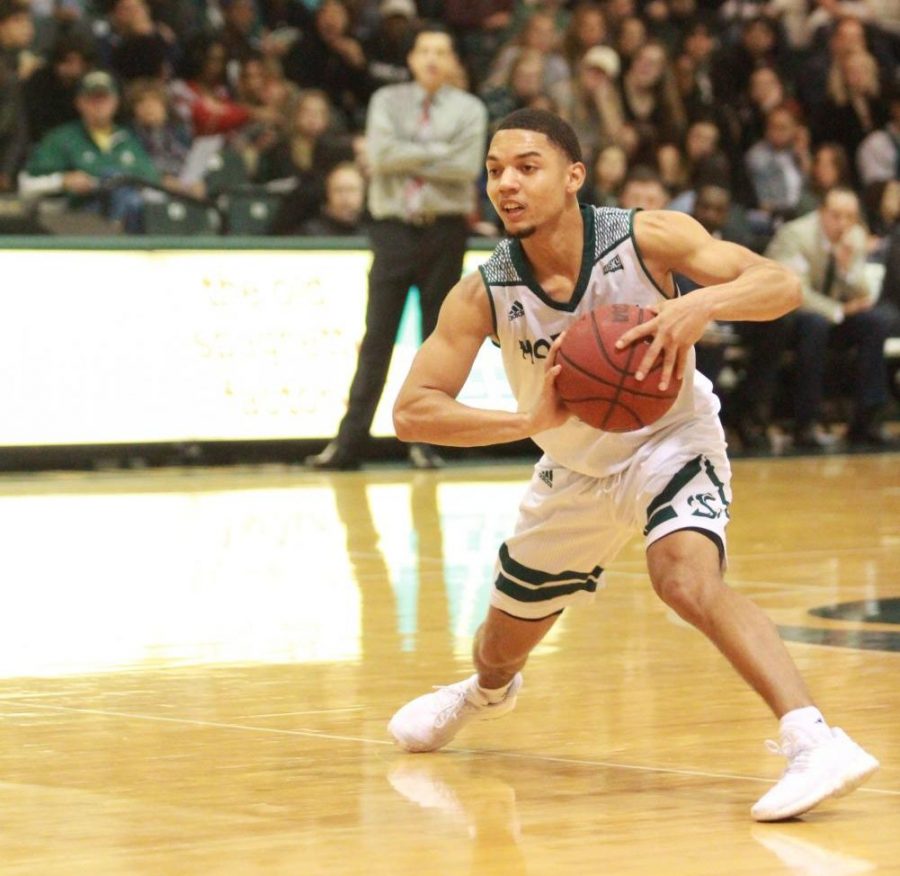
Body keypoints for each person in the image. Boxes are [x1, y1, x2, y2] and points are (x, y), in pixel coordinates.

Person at [386, 108, 878, 822]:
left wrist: (700, 305)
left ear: (574, 176)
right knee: (496, 651)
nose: (507, 184)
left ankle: (814, 739)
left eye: (527, 166)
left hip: (671, 439)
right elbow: (412, 411)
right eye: (495, 171)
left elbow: (780, 285)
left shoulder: (648, 237)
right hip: (572, 472)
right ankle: (482, 694)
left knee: (683, 578)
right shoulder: (483, 290)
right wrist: (527, 422)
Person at [306, 25, 487, 471]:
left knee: (436, 340)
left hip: (444, 230)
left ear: (452, 62)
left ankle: (426, 441)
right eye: (424, 50)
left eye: (440, 51)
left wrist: (409, 153)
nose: (431, 59)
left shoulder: (470, 108)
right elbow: (380, 157)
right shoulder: (386, 102)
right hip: (392, 230)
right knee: (377, 338)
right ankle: (348, 444)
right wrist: (435, 152)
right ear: (410, 59)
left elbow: (465, 167)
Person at [765, 187, 895, 447]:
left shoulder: (855, 237)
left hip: (830, 317)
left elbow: (865, 293)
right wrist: (837, 311)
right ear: (821, 213)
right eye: (836, 215)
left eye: (850, 216)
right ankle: (806, 422)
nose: (843, 223)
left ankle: (867, 419)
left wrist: (847, 268)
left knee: (877, 321)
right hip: (787, 317)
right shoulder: (795, 235)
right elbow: (793, 291)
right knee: (816, 324)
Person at [19, 70, 160, 232]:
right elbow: (26, 184)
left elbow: (153, 184)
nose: (99, 105)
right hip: (75, 218)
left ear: (116, 102)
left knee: (129, 196)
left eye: (104, 98)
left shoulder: (128, 139)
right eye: (92, 99)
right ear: (79, 102)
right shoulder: (61, 139)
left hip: (130, 219)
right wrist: (63, 181)